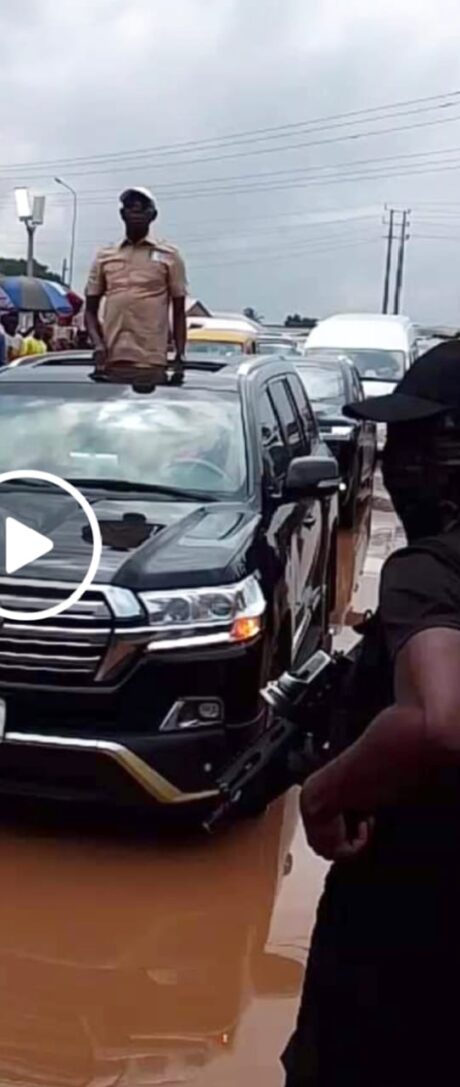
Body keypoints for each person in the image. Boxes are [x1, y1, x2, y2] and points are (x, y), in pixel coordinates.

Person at [283, 341, 460, 1086]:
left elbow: (436, 720)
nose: (394, 461)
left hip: (405, 941)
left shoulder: (429, 573)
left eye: (418, 443)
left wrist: (326, 794)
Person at [85, 187, 187, 373]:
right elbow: (90, 310)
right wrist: (98, 345)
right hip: (112, 357)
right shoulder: (104, 256)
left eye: (143, 208)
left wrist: (180, 353)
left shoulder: (169, 256)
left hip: (152, 358)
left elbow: (179, 310)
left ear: (153, 215)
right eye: (131, 207)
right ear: (122, 214)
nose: (136, 213)